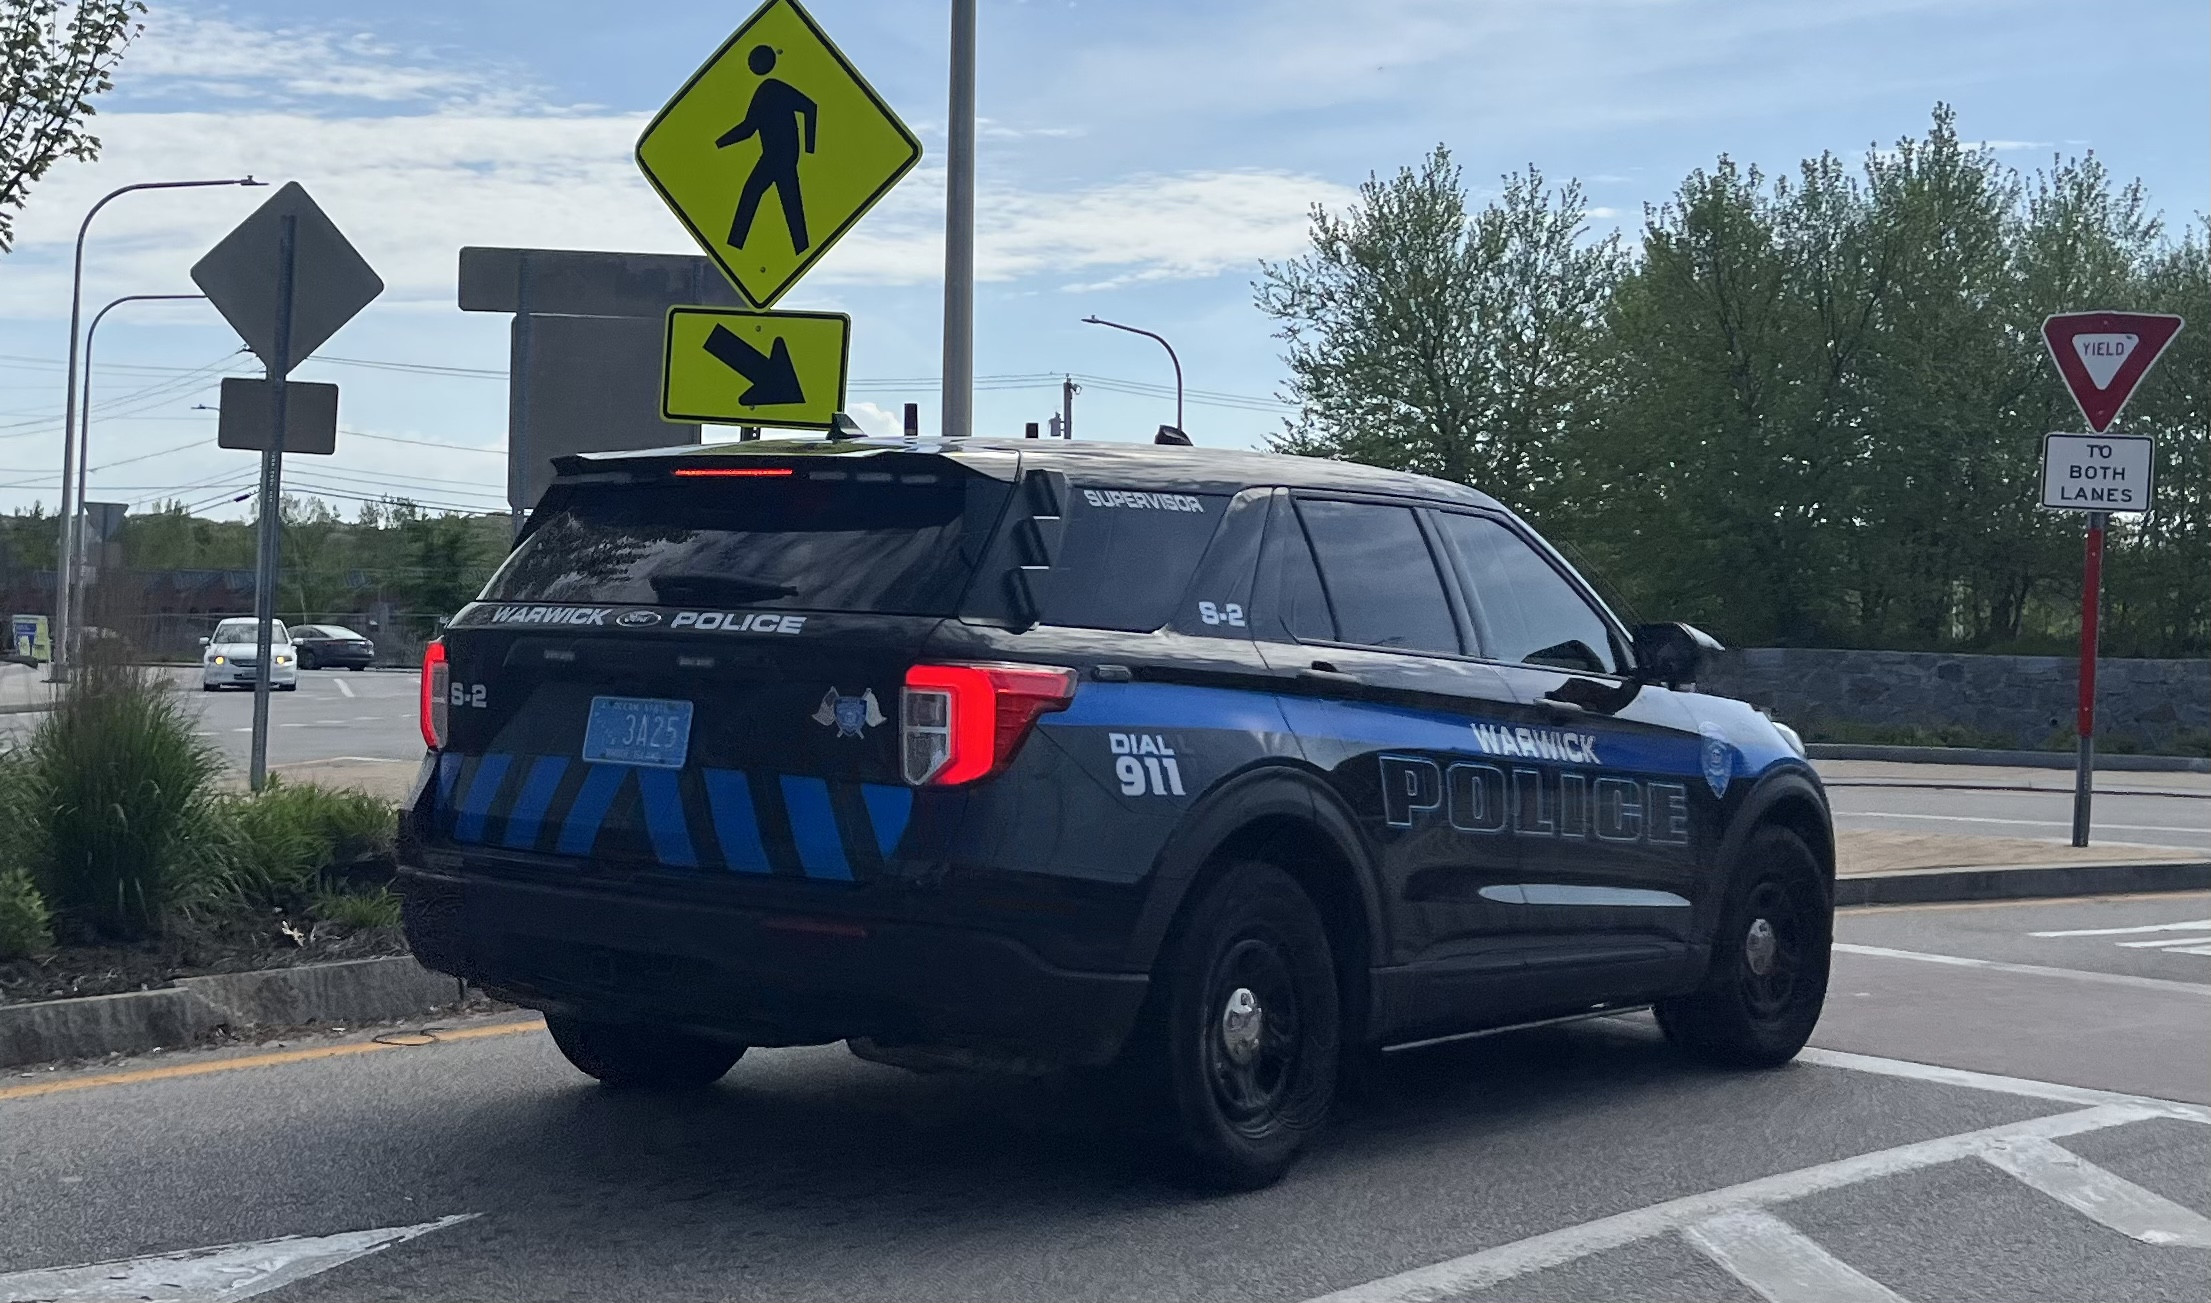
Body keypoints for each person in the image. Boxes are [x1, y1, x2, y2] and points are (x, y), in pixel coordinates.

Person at [716, 44, 818, 254]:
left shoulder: (774, 88)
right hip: (776, 155)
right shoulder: (764, 92)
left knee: (754, 193)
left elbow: (810, 107)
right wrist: (718, 144)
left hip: (781, 156)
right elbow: (749, 128)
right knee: (789, 203)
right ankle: (801, 249)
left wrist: (810, 148)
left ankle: (736, 245)